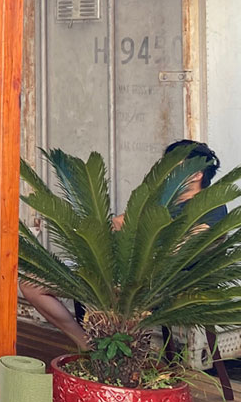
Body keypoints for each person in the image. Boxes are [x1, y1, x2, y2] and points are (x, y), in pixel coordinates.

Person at [22, 139, 225, 352]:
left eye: (174, 164)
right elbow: (118, 223)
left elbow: (183, 249)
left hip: (163, 285)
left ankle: (123, 355)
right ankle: (86, 344)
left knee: (102, 289)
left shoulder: (210, 208)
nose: (166, 171)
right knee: (31, 284)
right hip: (123, 275)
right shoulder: (160, 203)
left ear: (197, 174)